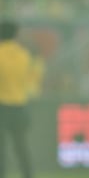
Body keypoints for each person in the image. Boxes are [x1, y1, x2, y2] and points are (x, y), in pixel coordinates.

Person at [0, 20, 33, 178]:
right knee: (21, 147)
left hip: (2, 105)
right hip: (19, 105)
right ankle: (28, 175)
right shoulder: (24, 55)